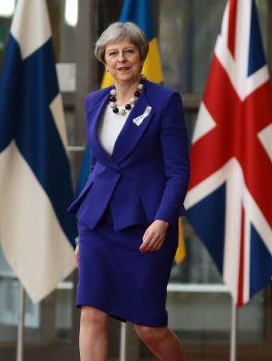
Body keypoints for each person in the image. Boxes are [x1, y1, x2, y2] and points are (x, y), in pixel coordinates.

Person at [67, 22, 189, 361]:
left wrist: (164, 220)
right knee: (91, 312)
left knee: (148, 326)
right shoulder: (94, 102)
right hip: (98, 224)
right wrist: (81, 236)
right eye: (113, 53)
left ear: (141, 56)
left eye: (128, 52)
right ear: (104, 61)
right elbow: (96, 168)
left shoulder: (164, 101)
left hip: (147, 225)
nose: (121, 59)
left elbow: (178, 171)